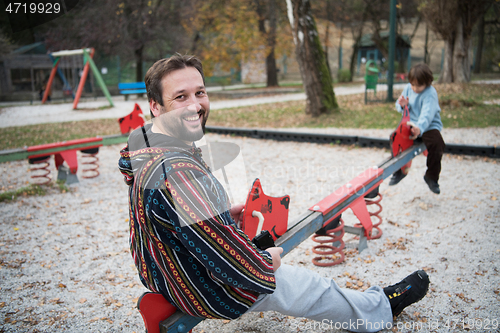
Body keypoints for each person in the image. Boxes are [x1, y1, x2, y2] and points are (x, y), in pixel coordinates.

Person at [118, 54, 430, 332]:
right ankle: (381, 308)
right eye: (180, 97)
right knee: (309, 288)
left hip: (159, 269)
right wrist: (267, 262)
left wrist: (220, 216)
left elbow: (172, 218)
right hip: (200, 285)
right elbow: (230, 263)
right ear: (156, 106)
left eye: (200, 93)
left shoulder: (148, 146)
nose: (195, 105)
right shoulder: (175, 174)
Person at [389, 63, 445, 194]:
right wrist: (403, 106)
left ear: (427, 82)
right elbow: (399, 104)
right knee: (395, 138)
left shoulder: (430, 93)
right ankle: (399, 171)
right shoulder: (409, 88)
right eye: (412, 84)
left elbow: (427, 114)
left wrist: (420, 128)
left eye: (418, 86)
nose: (414, 88)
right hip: (411, 124)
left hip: (428, 125)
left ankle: (431, 177)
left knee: (438, 144)